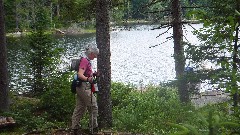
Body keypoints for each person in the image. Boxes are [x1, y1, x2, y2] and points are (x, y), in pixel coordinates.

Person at [71, 44, 99, 135]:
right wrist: (88, 79)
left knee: (80, 107)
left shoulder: (85, 59)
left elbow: (86, 73)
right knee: (93, 106)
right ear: (91, 53)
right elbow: (80, 74)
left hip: (80, 86)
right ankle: (93, 128)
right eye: (94, 55)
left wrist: (93, 74)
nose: (95, 57)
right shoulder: (84, 61)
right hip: (83, 86)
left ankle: (75, 129)